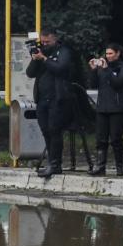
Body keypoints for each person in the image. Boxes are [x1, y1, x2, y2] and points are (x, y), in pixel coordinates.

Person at [25, 28, 76, 179]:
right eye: (43, 42)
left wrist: (45, 59)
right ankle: (51, 162)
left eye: (48, 42)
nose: (45, 44)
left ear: (55, 40)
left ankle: (55, 164)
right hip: (42, 99)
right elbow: (30, 73)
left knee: (54, 130)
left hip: (57, 98)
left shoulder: (63, 52)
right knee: (46, 130)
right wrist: (36, 58)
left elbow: (60, 68)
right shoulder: (42, 53)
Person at [89, 43, 123, 177]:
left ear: (118, 53)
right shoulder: (102, 67)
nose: (108, 56)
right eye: (106, 54)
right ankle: (100, 167)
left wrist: (107, 70)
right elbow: (94, 84)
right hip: (102, 108)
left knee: (116, 139)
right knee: (101, 139)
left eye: (111, 53)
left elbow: (118, 83)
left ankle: (119, 167)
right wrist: (94, 70)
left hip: (117, 108)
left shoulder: (122, 67)